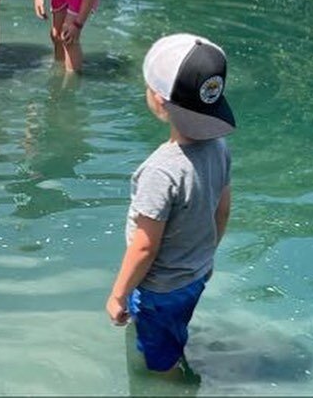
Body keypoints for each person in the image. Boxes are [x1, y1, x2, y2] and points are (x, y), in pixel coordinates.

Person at [106, 33, 236, 375]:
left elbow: (145, 247)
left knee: (159, 364)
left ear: (160, 101)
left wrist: (118, 295)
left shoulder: (159, 172)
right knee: (172, 331)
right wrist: (205, 256)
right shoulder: (220, 148)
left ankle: (172, 381)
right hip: (196, 274)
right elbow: (222, 210)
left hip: (158, 289)